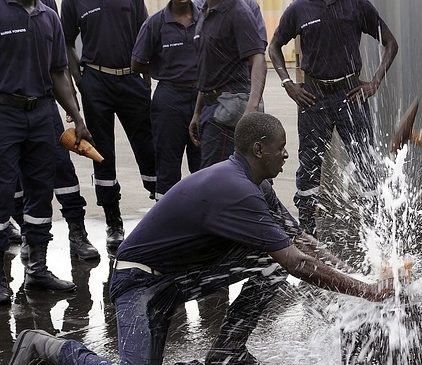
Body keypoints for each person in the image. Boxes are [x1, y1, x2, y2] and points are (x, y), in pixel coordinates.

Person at [4, 112, 393, 365]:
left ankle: (228, 354)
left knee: (272, 259)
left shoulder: (256, 184)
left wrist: (370, 277)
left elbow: (302, 244)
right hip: (138, 281)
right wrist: (370, 293)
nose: (286, 155)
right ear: (259, 149)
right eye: (281, 149)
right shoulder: (236, 190)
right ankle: (42, 346)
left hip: (175, 279)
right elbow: (299, 264)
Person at [269, 0, 398, 236]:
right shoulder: (299, 9)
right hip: (313, 97)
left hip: (350, 94)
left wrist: (375, 82)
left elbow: (391, 43)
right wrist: (288, 84)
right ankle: (307, 234)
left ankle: (376, 233)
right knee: (309, 165)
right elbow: (274, 47)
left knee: (365, 162)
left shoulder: (357, 5)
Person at [0, 0, 92, 303]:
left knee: (40, 191)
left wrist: (76, 117)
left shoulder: (49, 17)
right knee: (2, 192)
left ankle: (37, 269)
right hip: (5, 113)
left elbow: (58, 72)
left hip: (41, 113)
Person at [61, 0, 156, 250]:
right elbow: (66, 42)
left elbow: (144, 32)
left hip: (132, 80)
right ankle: (113, 222)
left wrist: (145, 79)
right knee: (102, 154)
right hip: (96, 82)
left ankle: (161, 212)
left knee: (149, 150)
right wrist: (81, 82)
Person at [131, 0, 202, 200]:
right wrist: (163, 70)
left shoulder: (205, 19)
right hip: (169, 99)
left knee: (203, 164)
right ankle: (167, 222)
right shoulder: (155, 23)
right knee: (168, 164)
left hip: (203, 97)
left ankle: (203, 220)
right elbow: (136, 63)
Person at [189, 0, 267, 169]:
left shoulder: (238, 11)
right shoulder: (205, 11)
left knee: (218, 176)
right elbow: (208, 68)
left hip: (229, 107)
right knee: (221, 175)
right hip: (211, 106)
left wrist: (251, 109)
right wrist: (198, 112)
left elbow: (258, 58)